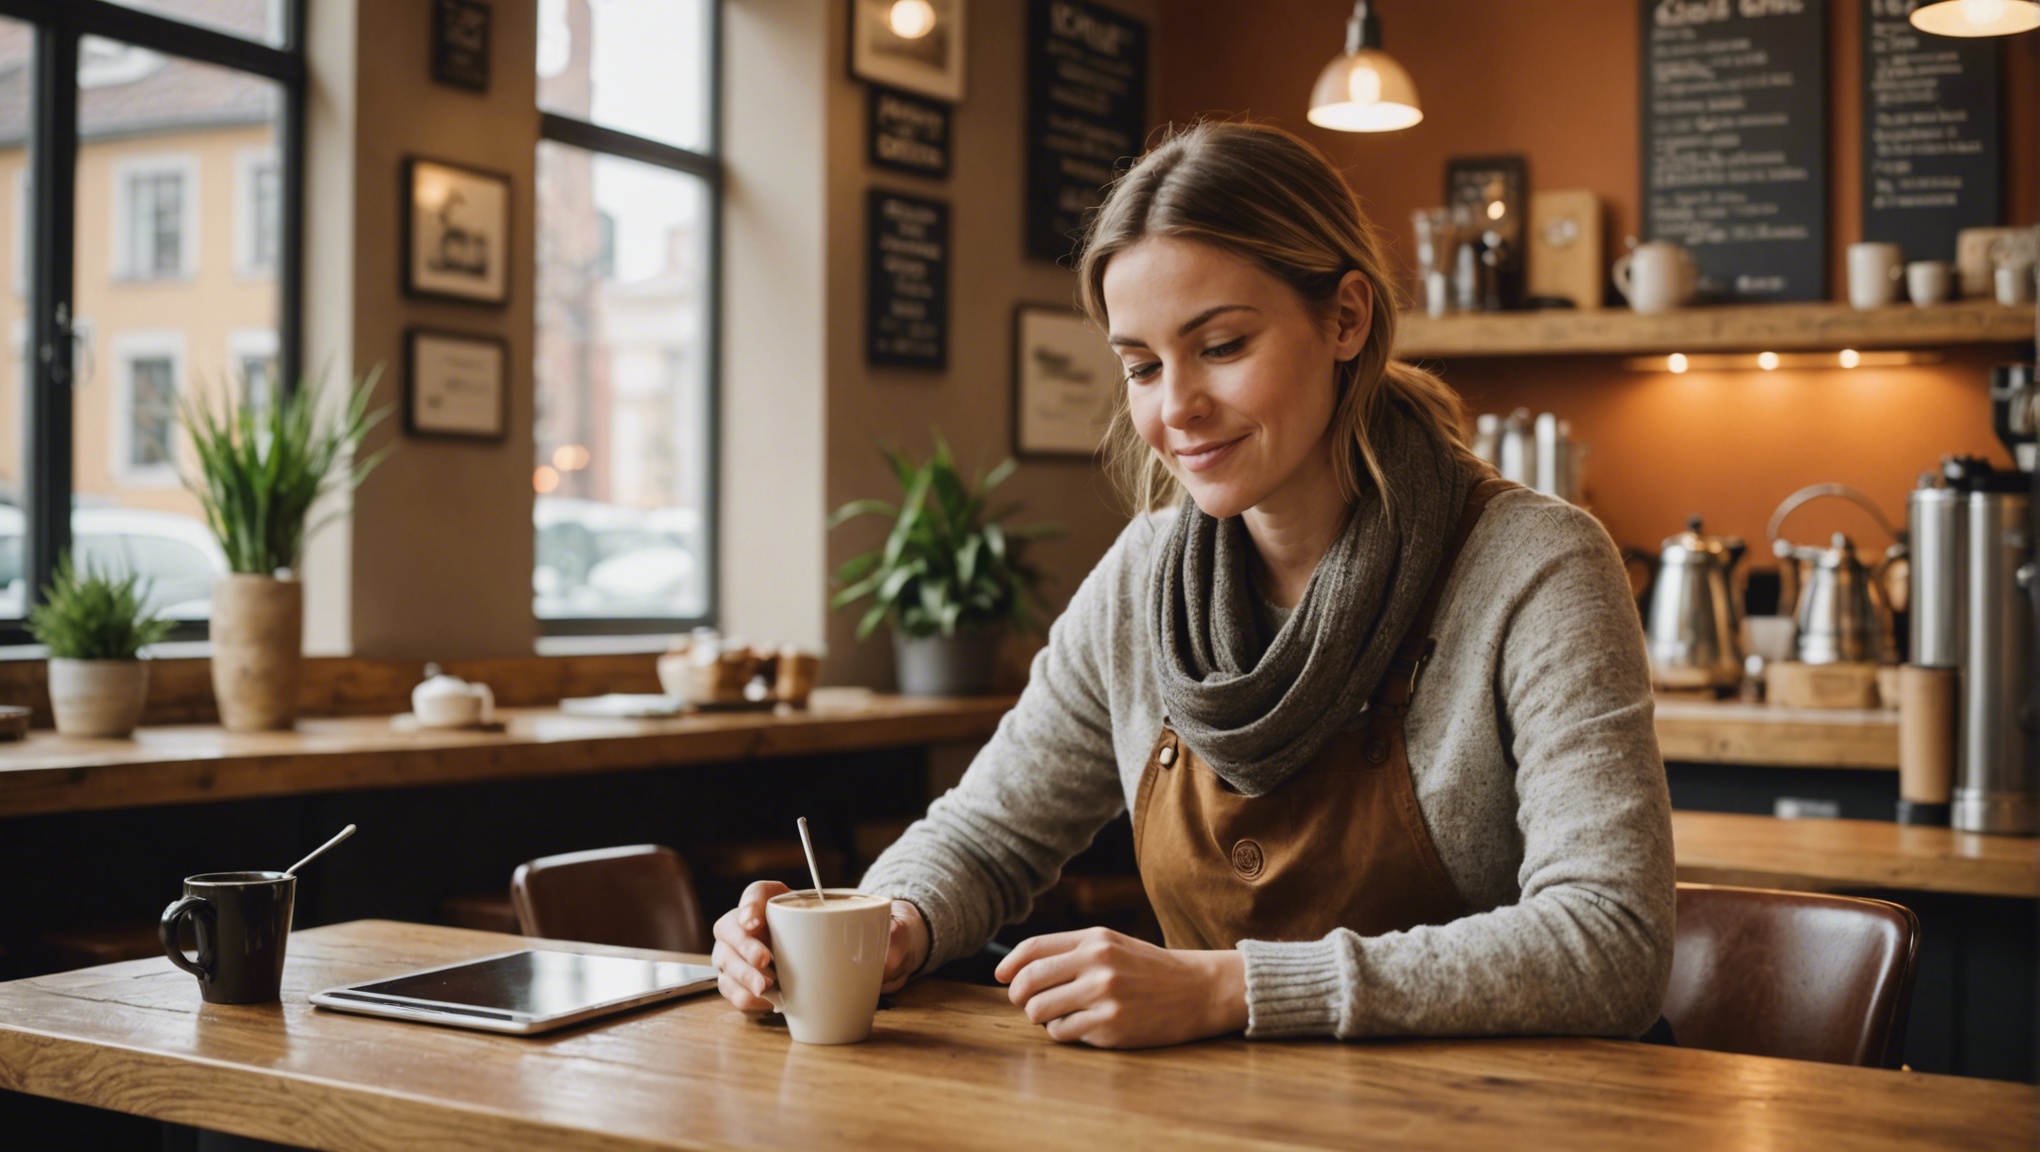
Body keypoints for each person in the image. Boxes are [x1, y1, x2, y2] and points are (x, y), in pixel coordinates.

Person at [713, 121, 1673, 1050]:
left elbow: (1609, 942)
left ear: (1346, 318)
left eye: (1220, 347)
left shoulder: (1536, 565)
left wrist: (1232, 987)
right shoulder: (1144, 573)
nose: (1175, 410)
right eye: (1140, 365)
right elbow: (987, 833)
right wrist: (889, 925)